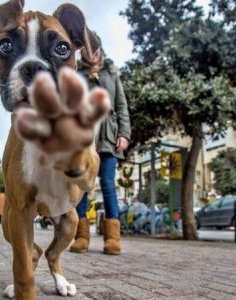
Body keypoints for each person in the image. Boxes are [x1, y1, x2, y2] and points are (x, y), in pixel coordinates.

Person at [70, 41, 131, 255]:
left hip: (108, 137)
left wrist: (124, 134)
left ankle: (112, 238)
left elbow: (121, 106)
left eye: (94, 49)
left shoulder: (112, 73)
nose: (90, 53)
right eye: (86, 50)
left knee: (107, 183)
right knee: (83, 186)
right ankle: (81, 236)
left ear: (100, 50)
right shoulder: (77, 73)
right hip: (85, 138)